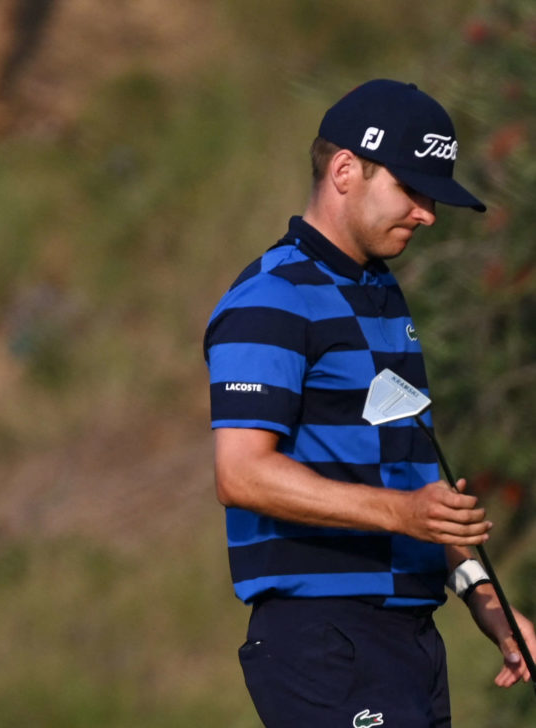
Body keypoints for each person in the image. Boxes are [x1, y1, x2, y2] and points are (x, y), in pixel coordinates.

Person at [203, 78, 536, 726]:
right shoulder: (271, 298)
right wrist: (404, 513)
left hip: (407, 641)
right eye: (411, 190)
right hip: (325, 639)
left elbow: (414, 480)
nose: (427, 214)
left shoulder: (381, 295)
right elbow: (239, 472)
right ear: (346, 170)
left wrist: (488, 602)